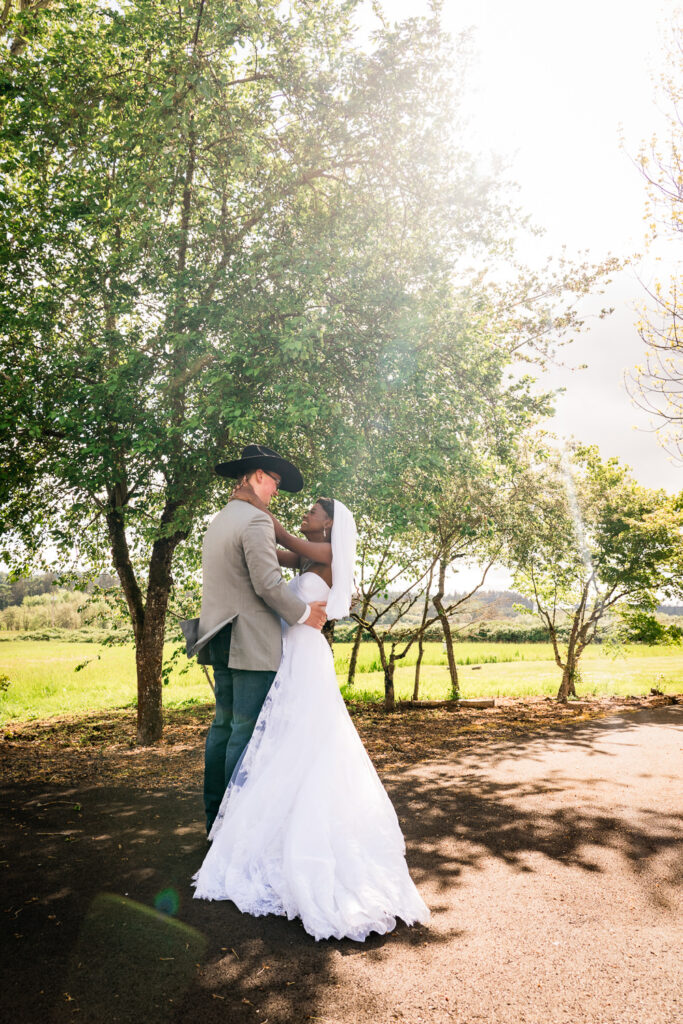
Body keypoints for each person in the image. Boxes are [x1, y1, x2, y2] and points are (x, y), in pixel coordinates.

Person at [193, 491, 430, 942]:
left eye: (314, 511)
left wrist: (258, 511)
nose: (306, 514)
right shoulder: (308, 558)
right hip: (288, 650)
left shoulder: (327, 552)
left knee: (295, 738)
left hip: (302, 651)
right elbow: (271, 554)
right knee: (282, 737)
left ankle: (257, 822)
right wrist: (249, 527)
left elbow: (280, 539)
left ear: (327, 525)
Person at [198, 444, 328, 835]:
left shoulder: (222, 518)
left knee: (222, 728)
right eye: (274, 482)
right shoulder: (255, 520)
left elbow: (257, 568)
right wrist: (308, 615)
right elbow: (268, 585)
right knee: (245, 731)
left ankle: (214, 821)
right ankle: (233, 829)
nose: (275, 491)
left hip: (218, 636)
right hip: (249, 642)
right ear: (257, 476)